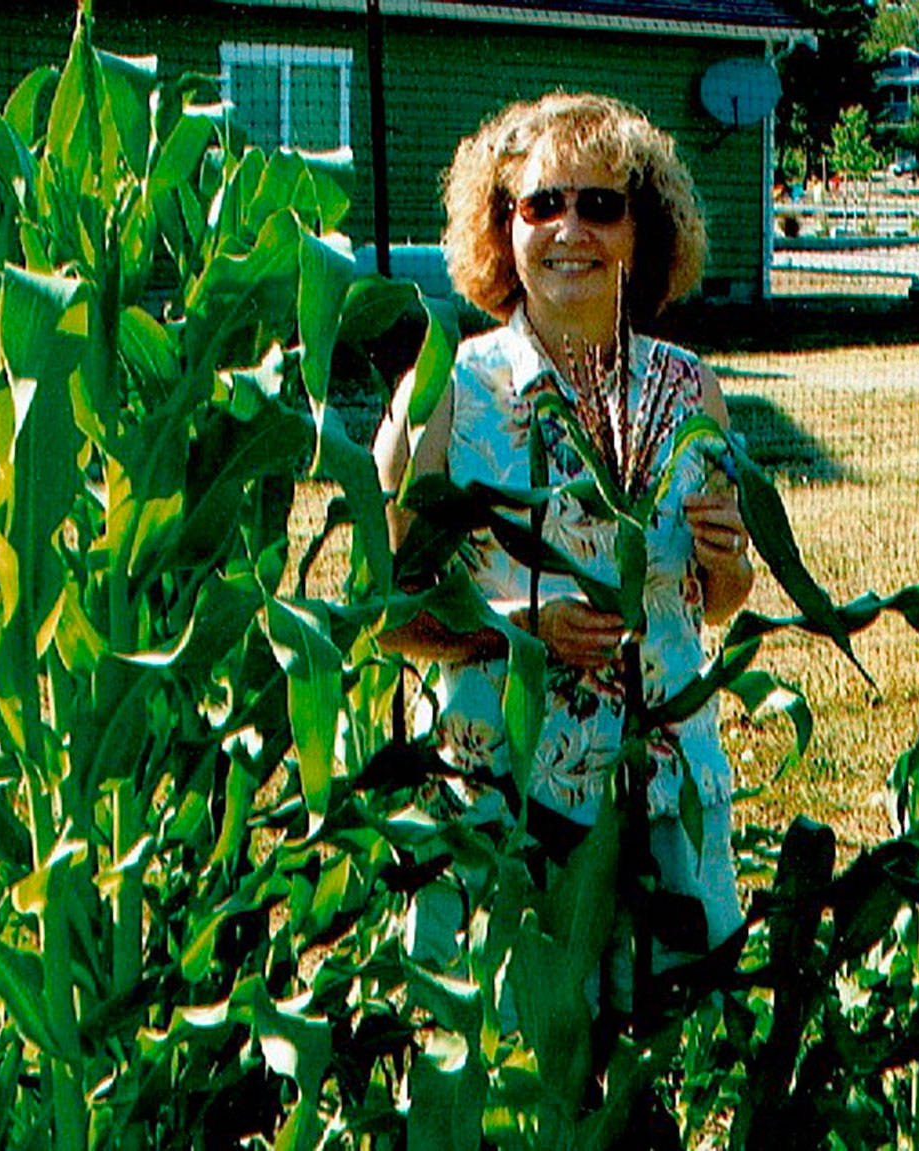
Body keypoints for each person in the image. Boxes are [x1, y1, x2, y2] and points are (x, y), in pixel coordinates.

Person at [373, 92, 753, 954]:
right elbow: (387, 617)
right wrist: (517, 632)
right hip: (502, 802)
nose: (570, 230)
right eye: (541, 204)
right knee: (514, 1066)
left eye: (601, 205)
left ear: (640, 232)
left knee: (669, 1051)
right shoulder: (445, 394)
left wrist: (725, 560)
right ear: (503, 229)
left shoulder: (691, 391)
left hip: (663, 795)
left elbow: (720, 600)